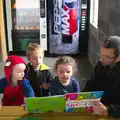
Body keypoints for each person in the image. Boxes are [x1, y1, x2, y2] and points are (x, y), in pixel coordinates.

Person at [82, 36, 120, 117]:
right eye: (101, 55)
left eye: (106, 57)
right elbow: (90, 86)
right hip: (98, 111)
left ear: (118, 58)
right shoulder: (101, 65)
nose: (101, 60)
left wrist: (108, 111)